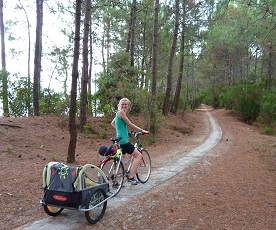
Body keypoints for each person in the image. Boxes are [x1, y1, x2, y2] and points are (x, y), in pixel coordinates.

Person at [111, 98, 150, 185]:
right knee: (138, 156)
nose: (124, 105)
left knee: (121, 159)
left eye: (126, 104)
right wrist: (142, 130)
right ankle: (131, 178)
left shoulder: (118, 113)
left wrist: (123, 132)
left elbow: (112, 123)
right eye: (122, 104)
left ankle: (115, 180)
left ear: (128, 106)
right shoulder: (121, 112)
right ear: (119, 105)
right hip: (124, 141)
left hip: (119, 140)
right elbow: (130, 124)